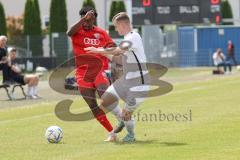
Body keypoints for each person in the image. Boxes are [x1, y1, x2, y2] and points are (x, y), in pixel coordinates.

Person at [85, 12, 150, 142]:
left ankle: (131, 135)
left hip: (139, 84)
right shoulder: (129, 38)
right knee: (106, 100)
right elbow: (119, 58)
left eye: (116, 26)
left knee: (127, 114)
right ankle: (121, 120)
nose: (116, 29)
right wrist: (102, 53)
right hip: (127, 80)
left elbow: (118, 50)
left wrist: (98, 50)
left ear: (122, 24)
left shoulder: (133, 37)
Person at [66, 6, 117, 141]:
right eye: (84, 20)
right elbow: (68, 33)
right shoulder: (77, 31)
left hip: (99, 70)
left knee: (106, 98)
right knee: (92, 105)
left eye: (89, 20)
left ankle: (123, 119)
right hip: (82, 74)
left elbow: (112, 47)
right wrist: (83, 19)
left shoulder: (101, 32)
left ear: (94, 19)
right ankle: (112, 132)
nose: (86, 23)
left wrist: (104, 49)